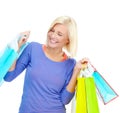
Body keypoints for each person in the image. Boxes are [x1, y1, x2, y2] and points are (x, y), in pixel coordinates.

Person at [4, 16, 89, 113]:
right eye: (52, 31)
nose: (53, 36)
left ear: (68, 40)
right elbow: (8, 77)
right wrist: (17, 48)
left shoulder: (71, 64)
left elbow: (65, 100)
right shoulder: (33, 49)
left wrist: (76, 71)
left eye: (59, 34)